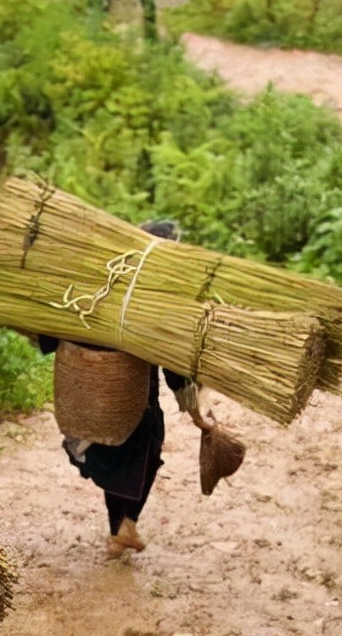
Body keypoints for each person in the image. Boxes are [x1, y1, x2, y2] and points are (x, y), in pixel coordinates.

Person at [38, 220, 214, 558]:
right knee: (145, 455)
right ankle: (126, 523)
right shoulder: (151, 299)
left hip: (87, 399)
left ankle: (120, 527)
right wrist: (193, 408)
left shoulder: (95, 284)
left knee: (114, 455)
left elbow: (50, 336)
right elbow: (173, 366)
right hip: (133, 400)